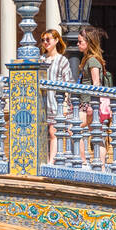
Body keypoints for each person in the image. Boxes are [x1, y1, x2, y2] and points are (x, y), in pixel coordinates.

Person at [41, 28, 71, 161]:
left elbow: (68, 82)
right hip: (42, 102)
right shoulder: (41, 59)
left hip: (56, 101)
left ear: (56, 40)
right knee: (42, 133)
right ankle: (43, 159)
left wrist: (65, 104)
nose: (45, 42)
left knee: (54, 132)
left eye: (48, 39)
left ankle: (51, 161)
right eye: (43, 40)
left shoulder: (62, 60)